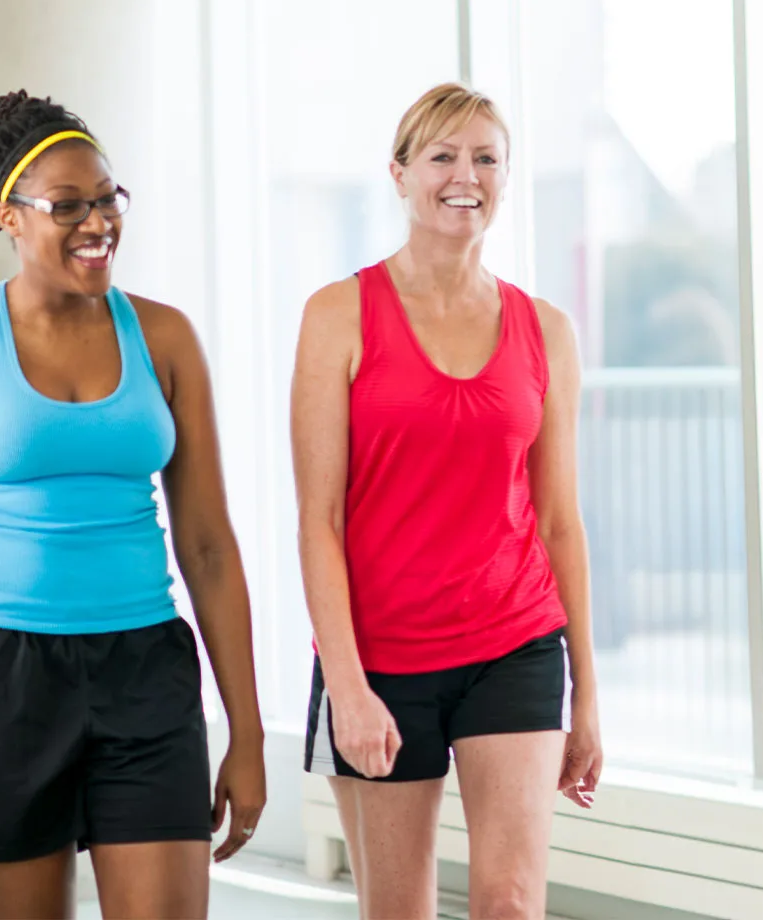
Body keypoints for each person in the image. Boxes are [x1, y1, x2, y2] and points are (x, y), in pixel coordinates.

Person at [0, 92, 265, 920]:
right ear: (10, 218)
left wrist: (248, 733)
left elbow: (209, 549)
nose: (98, 223)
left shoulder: (165, 339)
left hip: (145, 671)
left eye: (109, 198)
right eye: (69, 206)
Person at [291, 82, 602, 919]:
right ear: (399, 174)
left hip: (516, 641)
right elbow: (318, 522)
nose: (466, 175)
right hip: (382, 660)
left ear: (505, 177)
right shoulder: (337, 316)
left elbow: (561, 523)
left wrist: (588, 696)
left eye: (486, 158)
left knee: (509, 902)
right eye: (442, 156)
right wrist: (348, 687)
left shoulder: (547, 330)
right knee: (400, 910)